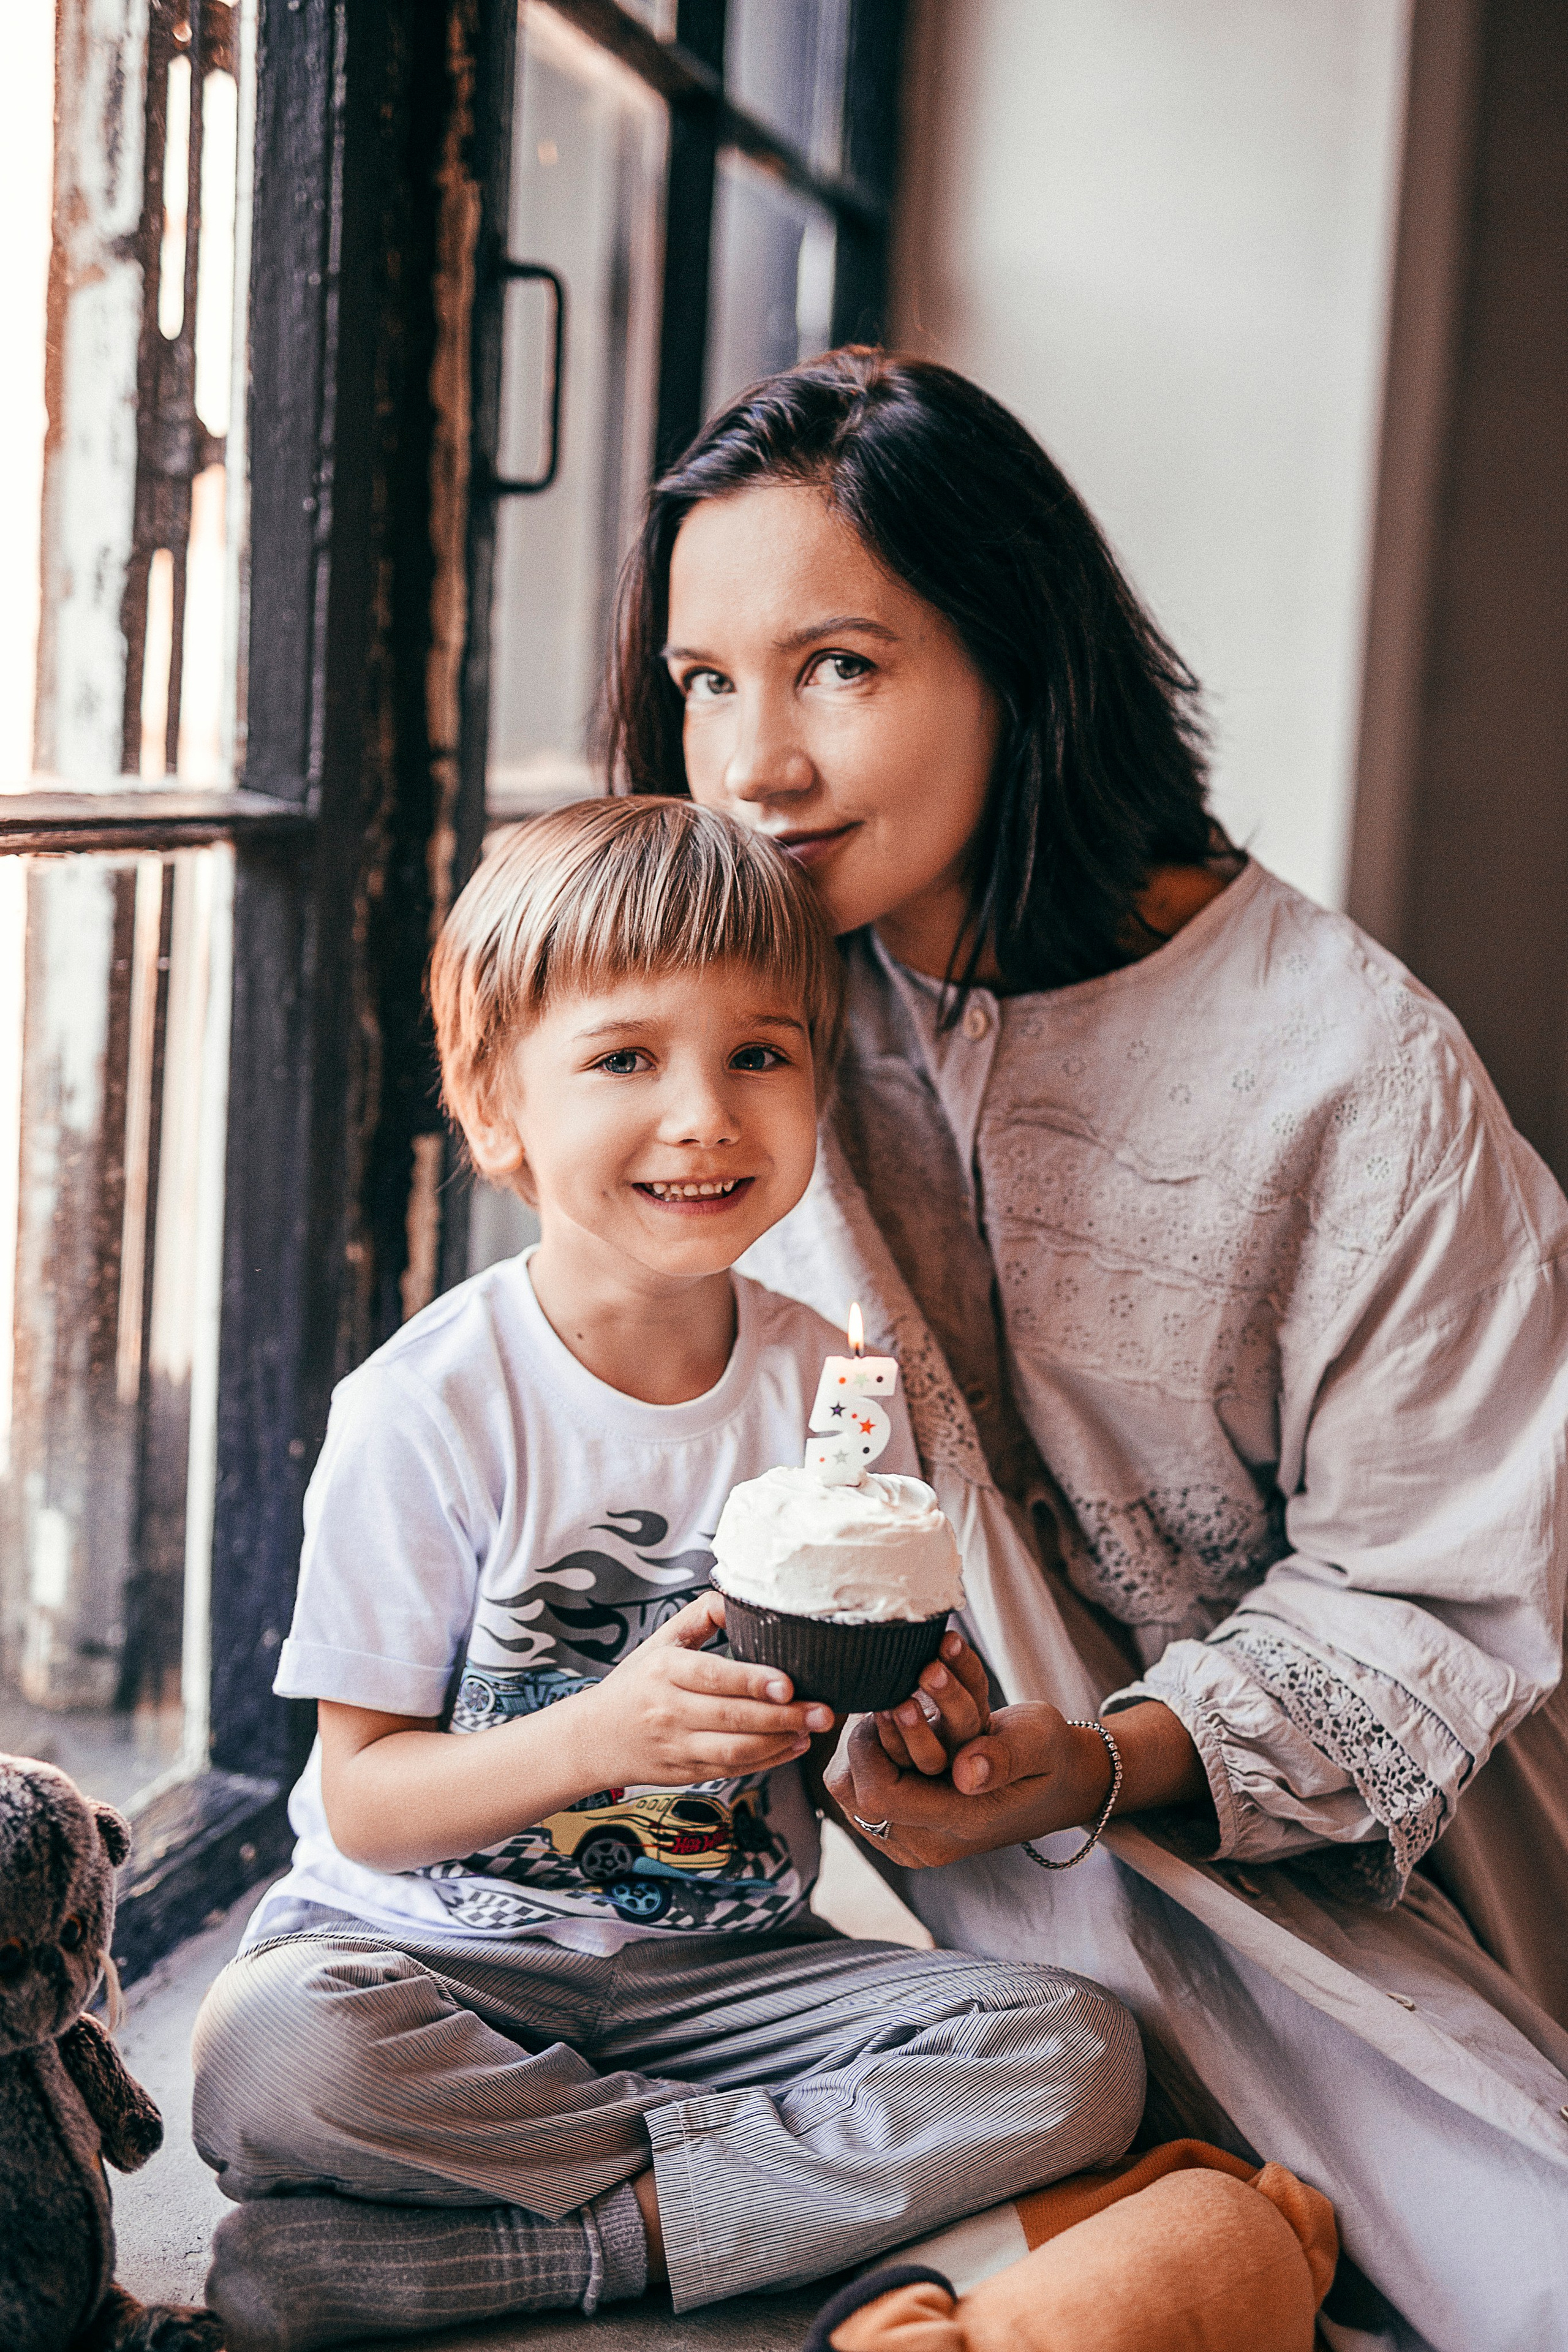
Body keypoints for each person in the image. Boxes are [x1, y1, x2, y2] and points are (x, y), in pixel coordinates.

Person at [606, 348, 1568, 2351]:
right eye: (708, 681)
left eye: (839, 668)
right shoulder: (752, 1009)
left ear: (1019, 658)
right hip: (907, 1845)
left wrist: (1094, 1763)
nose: (757, 765)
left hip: (1344, 1866)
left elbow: (1440, 1596)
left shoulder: (1353, 1077)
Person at [190, 797, 1144, 2351]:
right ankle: (738, 2207)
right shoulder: (428, 1409)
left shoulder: (830, 1391)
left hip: (730, 1973)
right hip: (435, 1965)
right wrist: (599, 1738)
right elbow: (361, 1801)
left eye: (758, 1056)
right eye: (626, 1059)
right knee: (274, 2052)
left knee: (1074, 2054)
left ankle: (528, 2252)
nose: (704, 1115)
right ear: (497, 1109)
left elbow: (858, 1767)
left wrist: (908, 1723)